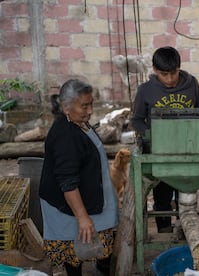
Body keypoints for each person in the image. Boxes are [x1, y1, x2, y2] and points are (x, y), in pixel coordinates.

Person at [39, 79, 119, 275]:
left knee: (98, 247)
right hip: (69, 208)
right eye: (84, 106)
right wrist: (82, 217)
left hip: (90, 201)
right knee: (74, 254)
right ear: (66, 108)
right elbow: (67, 182)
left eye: (91, 103)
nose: (90, 110)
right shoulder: (66, 135)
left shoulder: (78, 123)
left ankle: (102, 268)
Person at [131, 46, 199, 233]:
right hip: (160, 155)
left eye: (174, 73)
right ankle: (164, 232)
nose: (170, 79)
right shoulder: (146, 90)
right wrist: (152, 137)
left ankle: (185, 232)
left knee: (187, 195)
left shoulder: (192, 84)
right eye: (165, 74)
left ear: (179, 68)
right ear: (155, 71)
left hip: (187, 152)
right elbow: (137, 120)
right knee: (162, 197)